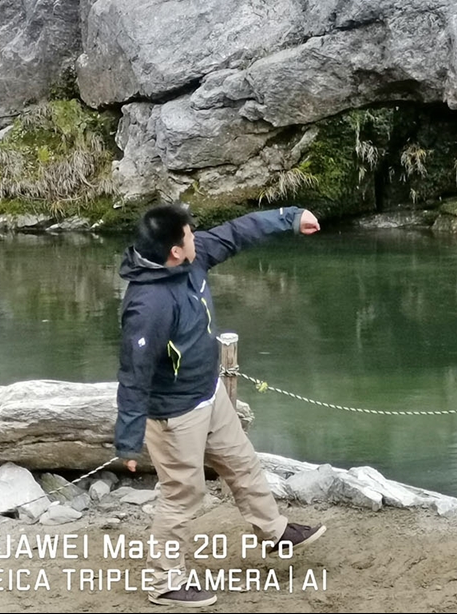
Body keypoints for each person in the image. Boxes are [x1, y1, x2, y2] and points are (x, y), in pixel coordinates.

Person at [115, 203, 326, 609]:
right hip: (175, 415)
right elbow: (133, 372)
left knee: (242, 461)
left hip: (209, 394)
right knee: (181, 496)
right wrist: (127, 441)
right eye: (190, 234)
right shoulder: (148, 306)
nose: (197, 236)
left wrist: (290, 217)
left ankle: (273, 532)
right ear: (175, 250)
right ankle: (164, 584)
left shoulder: (190, 260)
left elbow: (236, 232)